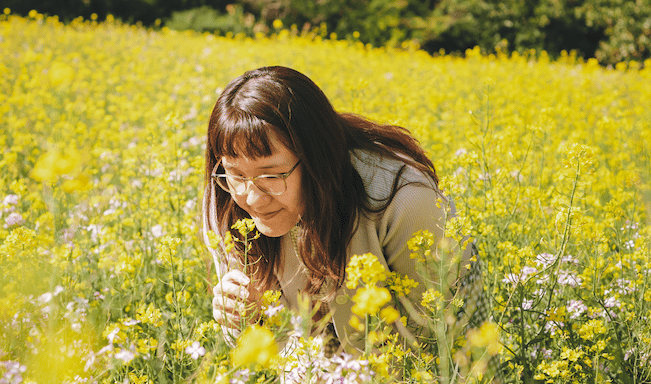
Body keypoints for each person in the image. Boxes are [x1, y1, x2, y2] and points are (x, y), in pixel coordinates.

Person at [202, 65, 489, 356]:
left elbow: (430, 341)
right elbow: (271, 349)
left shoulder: (405, 201)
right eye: (237, 175)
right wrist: (246, 318)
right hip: (328, 361)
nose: (253, 198)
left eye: (271, 175)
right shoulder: (228, 199)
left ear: (315, 160)